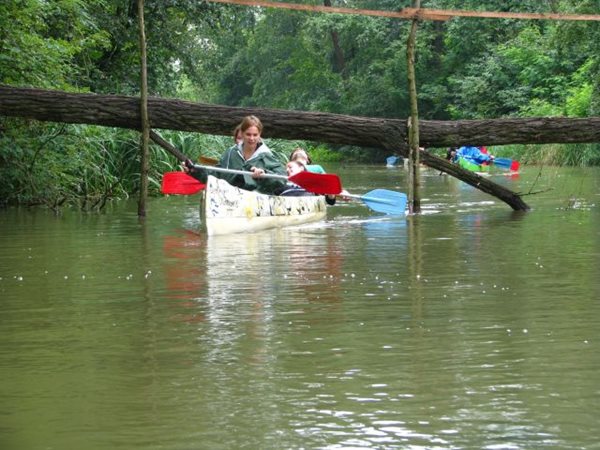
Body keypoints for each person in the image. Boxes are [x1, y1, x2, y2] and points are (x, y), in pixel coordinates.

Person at [188, 115, 287, 195]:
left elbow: (282, 179)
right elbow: (216, 175)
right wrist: (195, 171)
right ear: (242, 133)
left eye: (255, 135)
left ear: (259, 134)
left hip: (256, 198)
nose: (252, 138)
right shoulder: (231, 153)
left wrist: (264, 174)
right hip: (230, 196)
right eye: (248, 134)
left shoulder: (266, 155)